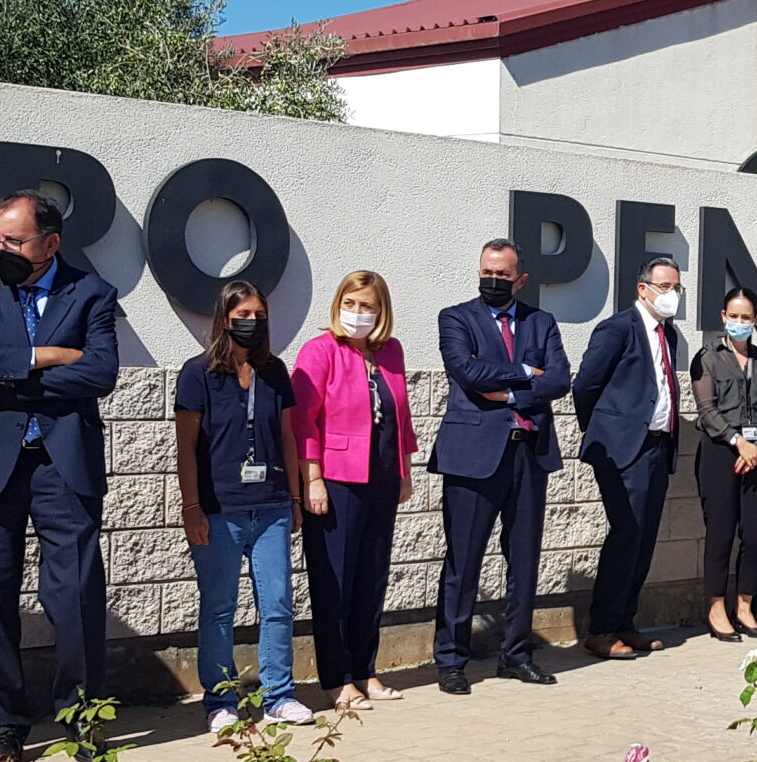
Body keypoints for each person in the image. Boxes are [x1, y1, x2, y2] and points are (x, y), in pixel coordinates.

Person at [0, 190, 121, 762]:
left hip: (61, 463)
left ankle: (81, 715)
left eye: (13, 241)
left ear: (51, 242)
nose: (1, 250)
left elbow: (100, 374)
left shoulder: (91, 293)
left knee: (75, 595)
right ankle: (2, 727)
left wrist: (2, 364)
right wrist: (48, 356)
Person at [430, 240, 570, 691]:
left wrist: (509, 390)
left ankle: (516, 655)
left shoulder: (541, 322)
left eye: (503, 275)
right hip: (473, 457)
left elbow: (560, 379)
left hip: (528, 453)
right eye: (487, 273)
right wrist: (528, 373)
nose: (493, 281)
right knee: (463, 561)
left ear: (520, 280)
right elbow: (466, 372)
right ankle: (451, 659)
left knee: (524, 562)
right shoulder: (456, 318)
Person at [177, 280, 311, 732]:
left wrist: (294, 497)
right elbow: (186, 446)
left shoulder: (275, 371)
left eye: (259, 315)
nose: (252, 322)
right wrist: (192, 507)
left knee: (277, 604)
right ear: (225, 318)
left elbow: (287, 437)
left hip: (271, 506)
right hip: (219, 509)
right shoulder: (197, 373)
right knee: (219, 608)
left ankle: (279, 696)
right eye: (243, 316)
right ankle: (221, 701)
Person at [290, 270, 416, 710]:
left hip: (382, 477)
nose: (357, 313)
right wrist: (312, 478)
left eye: (367, 306)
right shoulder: (320, 350)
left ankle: (365, 670)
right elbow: (302, 420)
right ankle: (338, 678)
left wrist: (405, 469)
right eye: (350, 304)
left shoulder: (390, 351)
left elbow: (401, 415)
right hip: (336, 479)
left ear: (381, 312)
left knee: (371, 578)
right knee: (335, 582)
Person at [572, 257, 688, 658]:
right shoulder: (618, 328)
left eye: (677, 288)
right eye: (665, 286)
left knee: (644, 537)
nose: (672, 294)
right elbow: (586, 385)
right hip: (624, 450)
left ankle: (625, 621)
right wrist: (606, 430)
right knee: (627, 532)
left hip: (658, 446)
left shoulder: (669, 334)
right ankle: (602, 629)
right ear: (643, 289)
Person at [691, 288, 757, 639]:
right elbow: (706, 409)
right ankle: (716, 608)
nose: (739, 322)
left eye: (746, 317)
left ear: (756, 319)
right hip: (721, 452)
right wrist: (737, 441)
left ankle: (745, 605)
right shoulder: (708, 357)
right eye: (734, 316)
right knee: (721, 532)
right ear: (723, 316)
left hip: (755, 453)